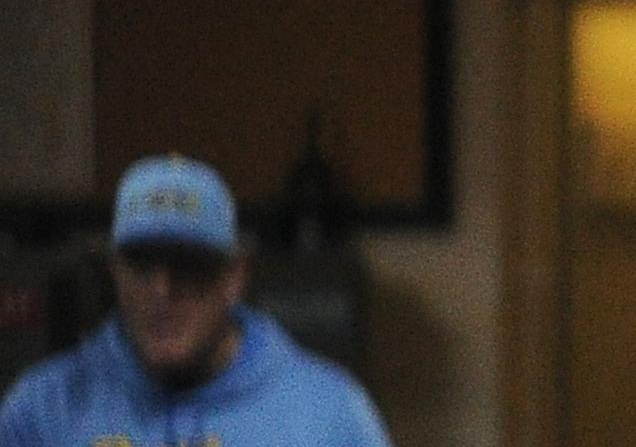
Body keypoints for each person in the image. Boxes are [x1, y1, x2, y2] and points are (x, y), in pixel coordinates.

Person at [0, 157, 388, 447]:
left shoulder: (328, 414)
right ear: (114, 273)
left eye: (188, 265)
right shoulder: (44, 408)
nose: (162, 289)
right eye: (141, 264)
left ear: (234, 277)